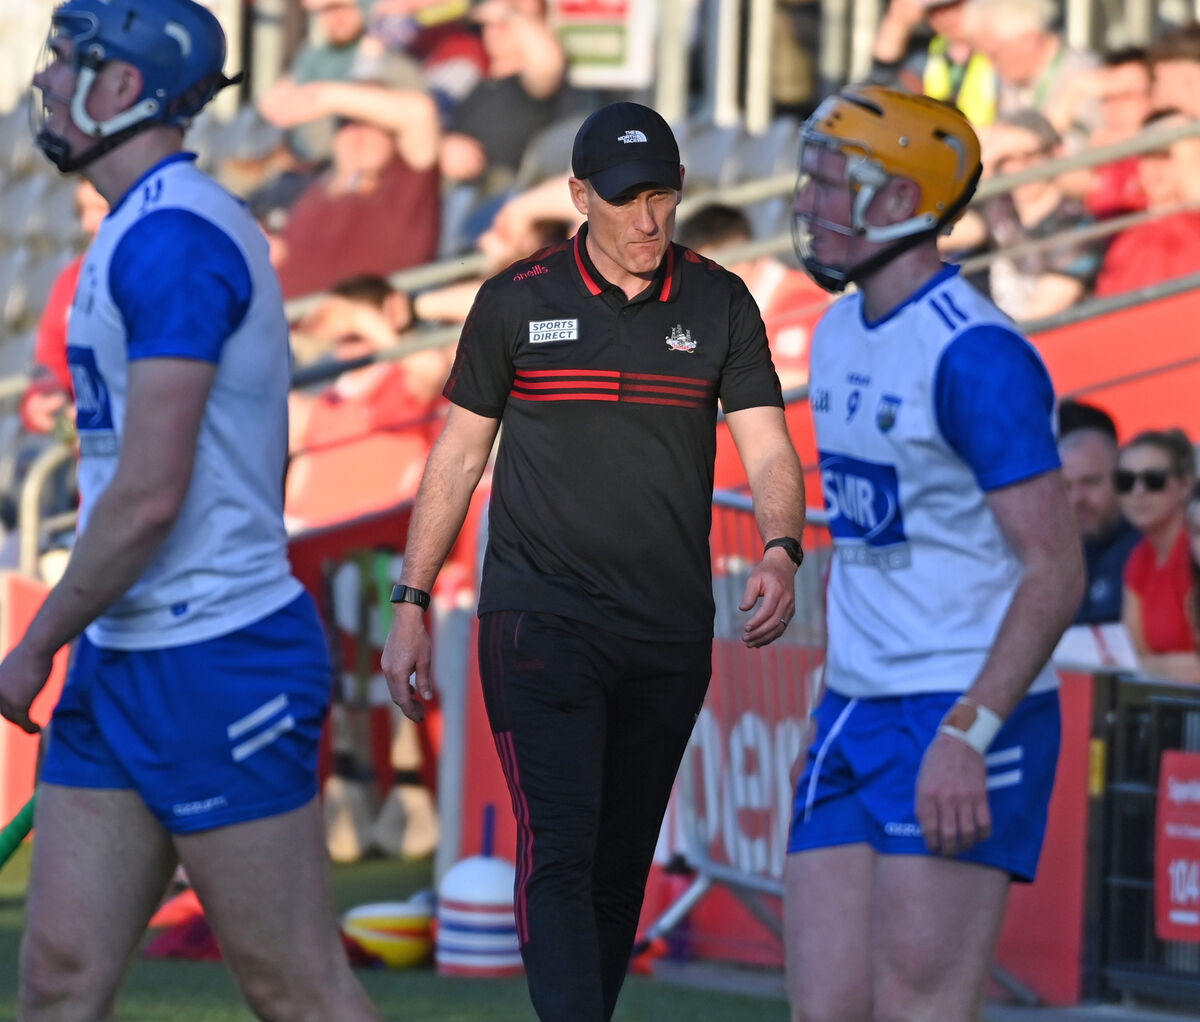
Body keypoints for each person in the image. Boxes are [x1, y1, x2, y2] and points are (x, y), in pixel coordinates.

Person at [380, 100, 807, 1021]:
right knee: (563, 852)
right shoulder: (515, 298)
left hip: (667, 627)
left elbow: (768, 450)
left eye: (664, 196)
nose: (649, 220)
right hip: (541, 618)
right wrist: (411, 599)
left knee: (619, 869)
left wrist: (781, 547)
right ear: (579, 196)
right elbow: (457, 458)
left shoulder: (721, 299)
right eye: (626, 200)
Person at [0, 3, 382, 1020]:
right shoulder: (135, 227)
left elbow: (150, 493)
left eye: (64, 63)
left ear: (124, 87)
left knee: (290, 985)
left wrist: (36, 640)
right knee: (57, 978)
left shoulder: (174, 237)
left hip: (218, 656)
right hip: (128, 650)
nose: (43, 83)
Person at [785, 85, 1084, 1022]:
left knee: (920, 1008)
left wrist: (970, 732)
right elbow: (870, 534)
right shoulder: (834, 332)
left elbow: (1056, 569)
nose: (811, 202)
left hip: (958, 710)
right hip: (853, 705)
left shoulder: (979, 356)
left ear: (902, 202)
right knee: (824, 1009)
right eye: (816, 177)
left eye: (837, 183)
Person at [676, 202, 828, 390]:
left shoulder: (799, 297)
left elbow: (796, 381)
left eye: (710, 268)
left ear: (740, 252)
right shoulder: (721, 306)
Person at [1116, 429, 1200, 682]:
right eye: (1125, 481)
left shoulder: (1195, 552)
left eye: (1154, 480)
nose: (1137, 492)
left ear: (1185, 485)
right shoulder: (1140, 558)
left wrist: (1149, 666)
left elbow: (1135, 664)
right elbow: (1133, 653)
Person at [1094, 109, 1200, 298]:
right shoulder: (1125, 226)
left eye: (1166, 157)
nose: (1154, 168)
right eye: (1147, 158)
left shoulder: (1194, 219)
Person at [1059, 425, 1141, 624]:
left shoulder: (1150, 548)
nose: (1077, 498)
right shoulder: (1054, 559)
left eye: (1090, 481)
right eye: (1066, 486)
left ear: (1121, 479)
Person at [869, 0, 998, 126]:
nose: (940, 17)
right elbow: (879, 89)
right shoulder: (929, 55)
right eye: (932, 11)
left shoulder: (999, 50)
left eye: (948, 7)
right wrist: (897, 23)